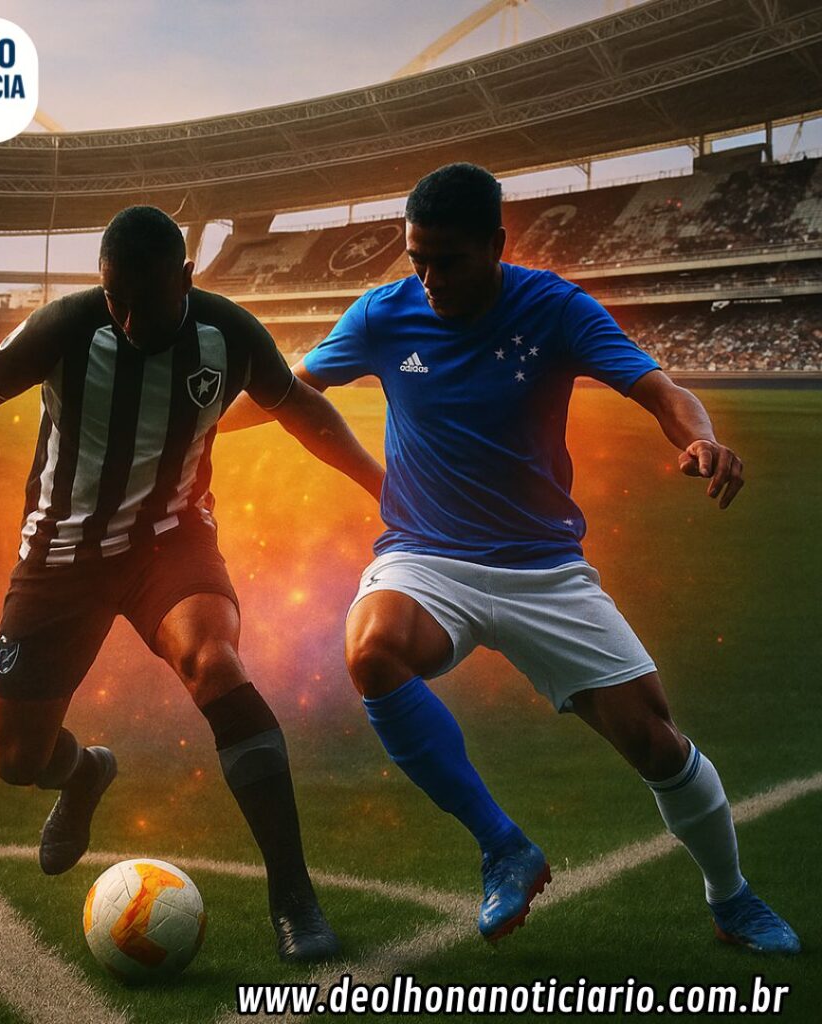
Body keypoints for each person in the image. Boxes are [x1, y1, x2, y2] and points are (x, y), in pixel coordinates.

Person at [220, 164, 799, 955]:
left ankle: (730, 899)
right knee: (371, 647)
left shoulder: (553, 308)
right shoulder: (385, 314)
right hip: (426, 555)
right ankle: (503, 847)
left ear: (497, 244)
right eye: (415, 258)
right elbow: (288, 390)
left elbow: (658, 388)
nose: (428, 279)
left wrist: (698, 436)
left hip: (543, 568)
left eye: (448, 260)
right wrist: (194, 429)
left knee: (655, 741)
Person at [0, 205, 384, 964]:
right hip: (61, 555)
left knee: (216, 664)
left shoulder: (228, 334)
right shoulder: (66, 327)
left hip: (170, 542)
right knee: (17, 760)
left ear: (187, 280)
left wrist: (384, 487)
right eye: (115, 299)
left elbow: (304, 413)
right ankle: (84, 772)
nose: (130, 319)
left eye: (149, 300)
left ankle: (294, 899)